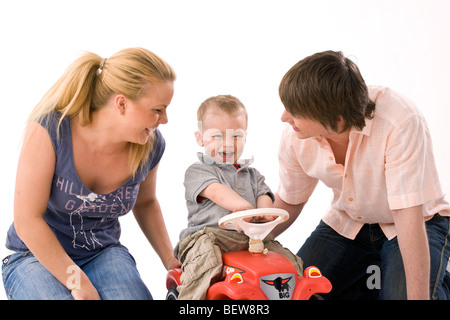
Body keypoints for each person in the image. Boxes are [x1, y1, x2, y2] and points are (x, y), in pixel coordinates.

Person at [2, 47, 181, 300]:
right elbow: (27, 221)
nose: (164, 119)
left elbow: (146, 202)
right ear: (122, 103)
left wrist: (169, 259)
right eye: (158, 109)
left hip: (102, 252)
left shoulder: (150, 145)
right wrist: (77, 281)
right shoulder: (51, 131)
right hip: (35, 256)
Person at [273, 50, 450, 300]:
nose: (284, 117)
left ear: (337, 121)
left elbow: (406, 215)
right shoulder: (296, 134)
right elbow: (291, 199)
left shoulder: (399, 122)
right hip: (349, 222)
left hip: (414, 223)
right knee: (292, 294)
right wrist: (251, 238)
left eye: (296, 111)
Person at [174, 95, 304, 300]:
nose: (228, 144)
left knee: (289, 261)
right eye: (217, 136)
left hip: (252, 238)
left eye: (236, 136)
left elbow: (264, 197)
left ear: (246, 136)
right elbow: (217, 192)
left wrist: (264, 215)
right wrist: (244, 208)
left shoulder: (252, 175)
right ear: (200, 138)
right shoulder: (198, 171)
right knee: (206, 261)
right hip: (210, 236)